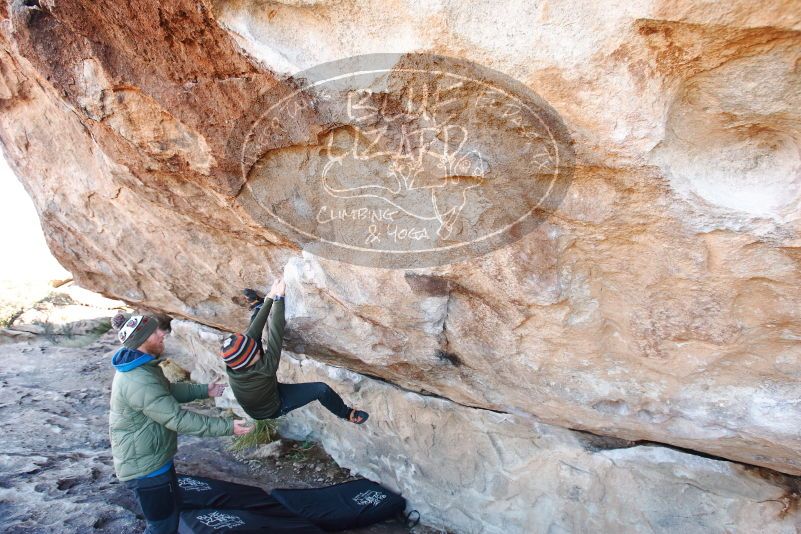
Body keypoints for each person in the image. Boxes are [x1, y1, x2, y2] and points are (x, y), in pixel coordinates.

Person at [109, 313, 254, 534]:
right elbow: (176, 418)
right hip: (146, 470)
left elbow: (166, 392)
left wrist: (204, 390)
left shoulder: (142, 368)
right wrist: (227, 427)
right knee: (162, 526)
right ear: (142, 340)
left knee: (172, 514)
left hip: (153, 459)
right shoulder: (138, 379)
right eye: (155, 332)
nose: (162, 333)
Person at [222, 276, 369, 424]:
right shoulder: (265, 369)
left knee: (253, 336)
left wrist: (270, 296)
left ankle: (258, 306)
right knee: (321, 389)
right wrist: (279, 298)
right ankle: (345, 413)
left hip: (262, 391)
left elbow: (254, 331)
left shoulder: (235, 360)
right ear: (247, 364)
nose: (258, 351)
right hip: (271, 407)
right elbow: (276, 333)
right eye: (255, 354)